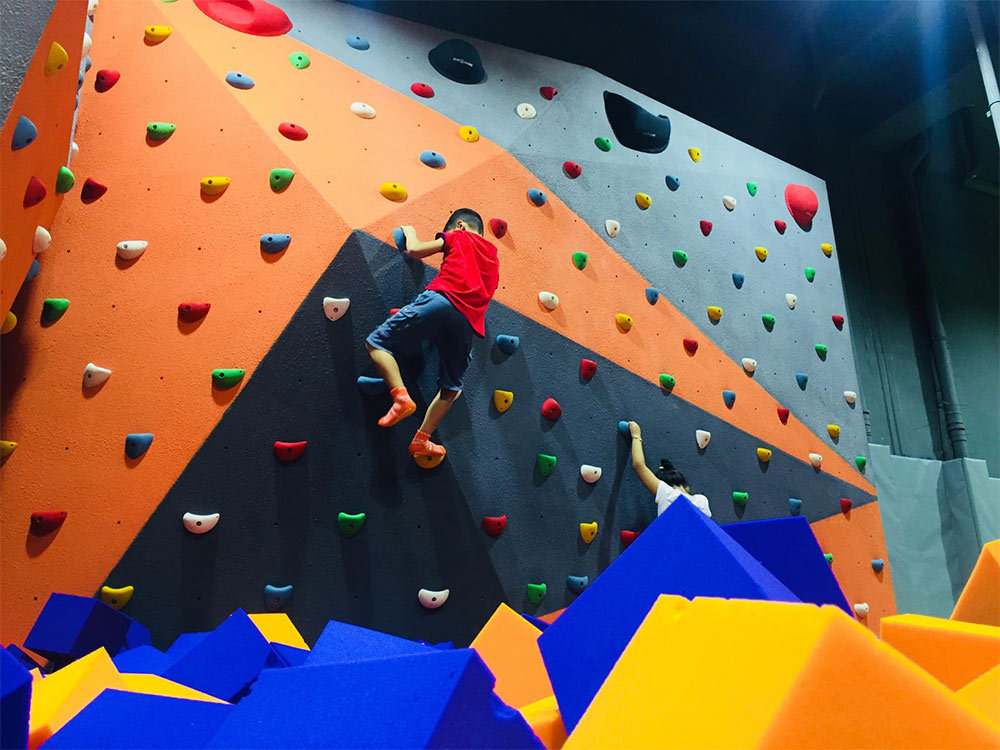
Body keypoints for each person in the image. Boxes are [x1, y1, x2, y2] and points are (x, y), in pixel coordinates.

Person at [365, 208, 499, 458]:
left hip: (441, 299)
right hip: (467, 324)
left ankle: (400, 397)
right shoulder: (493, 258)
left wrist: (410, 232)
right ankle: (421, 439)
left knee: (376, 343)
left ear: (459, 226)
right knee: (451, 389)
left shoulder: (460, 237)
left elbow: (415, 250)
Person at [628, 421, 712, 517]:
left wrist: (636, 435)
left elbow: (639, 465)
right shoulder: (702, 501)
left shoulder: (667, 493)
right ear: (686, 487)